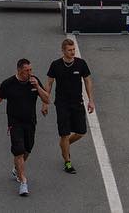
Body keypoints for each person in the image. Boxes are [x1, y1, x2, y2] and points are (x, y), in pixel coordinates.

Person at [0, 58, 50, 197]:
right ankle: (23, 182)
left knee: (27, 149)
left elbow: (47, 99)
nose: (29, 73)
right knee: (18, 150)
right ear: (19, 70)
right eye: (26, 71)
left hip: (30, 122)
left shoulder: (34, 81)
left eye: (31, 70)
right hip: (15, 122)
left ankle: (16, 168)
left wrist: (37, 87)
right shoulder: (8, 84)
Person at [42, 39, 95, 175]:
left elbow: (88, 81)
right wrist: (45, 102)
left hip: (77, 103)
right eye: (70, 50)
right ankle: (68, 162)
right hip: (62, 104)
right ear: (63, 51)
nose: (72, 52)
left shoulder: (81, 64)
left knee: (81, 132)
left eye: (73, 50)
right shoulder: (56, 65)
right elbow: (49, 83)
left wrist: (91, 100)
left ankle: (64, 145)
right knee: (64, 134)